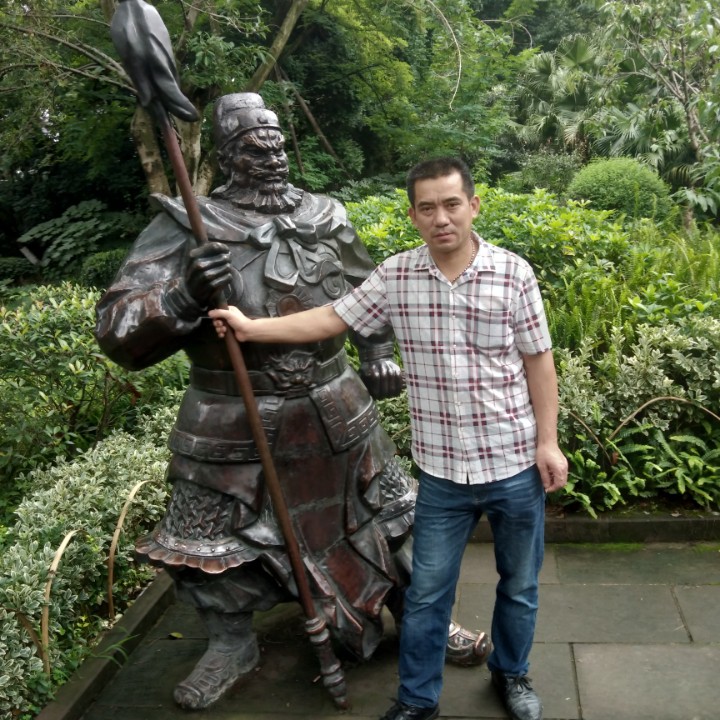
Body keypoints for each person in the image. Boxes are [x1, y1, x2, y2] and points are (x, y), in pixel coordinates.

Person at [94, 96, 489, 711]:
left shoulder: (324, 215)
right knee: (211, 543)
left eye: (278, 143)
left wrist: (376, 351)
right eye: (257, 147)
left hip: (336, 402)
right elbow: (118, 329)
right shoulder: (188, 224)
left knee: (392, 518)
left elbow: (366, 288)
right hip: (232, 416)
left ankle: (423, 618)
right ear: (229, 155)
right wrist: (182, 295)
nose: (274, 156)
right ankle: (231, 644)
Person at [210, 156, 569, 720]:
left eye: (452, 204)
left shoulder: (512, 273)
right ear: (413, 216)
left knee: (520, 585)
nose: (441, 218)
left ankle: (512, 674)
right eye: (427, 208)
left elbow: (538, 362)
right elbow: (331, 317)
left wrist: (548, 442)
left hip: (513, 463)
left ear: (473, 206)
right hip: (443, 475)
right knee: (426, 593)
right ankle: (418, 699)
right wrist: (253, 328)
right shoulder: (397, 276)